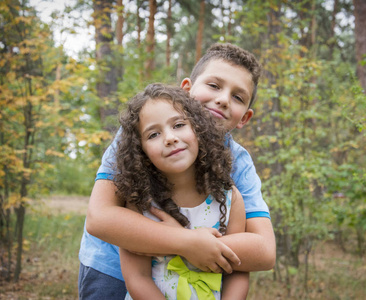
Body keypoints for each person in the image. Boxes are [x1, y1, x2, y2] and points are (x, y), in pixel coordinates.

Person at [78, 43, 276, 299]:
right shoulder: (143, 135)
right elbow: (100, 218)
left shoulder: (238, 163)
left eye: (237, 97)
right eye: (214, 85)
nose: (223, 99)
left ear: (244, 118)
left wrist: (195, 246)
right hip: (112, 269)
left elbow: (264, 251)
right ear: (187, 89)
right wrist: (186, 242)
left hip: (200, 282)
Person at [116, 83, 248, 299]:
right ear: (140, 151)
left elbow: (238, 272)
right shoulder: (139, 203)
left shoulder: (229, 199)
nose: (169, 138)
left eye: (178, 125)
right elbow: (137, 278)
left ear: (198, 128)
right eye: (153, 135)